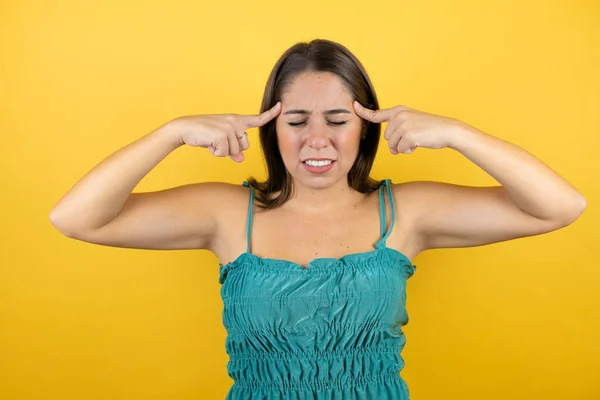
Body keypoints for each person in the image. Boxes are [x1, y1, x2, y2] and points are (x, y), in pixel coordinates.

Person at [49, 39, 586, 399]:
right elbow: (77, 219)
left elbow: (561, 206)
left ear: (365, 128)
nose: (317, 140)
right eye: (297, 120)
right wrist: (170, 133)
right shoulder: (227, 214)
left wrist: (457, 133)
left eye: (337, 120)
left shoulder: (407, 213)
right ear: (271, 129)